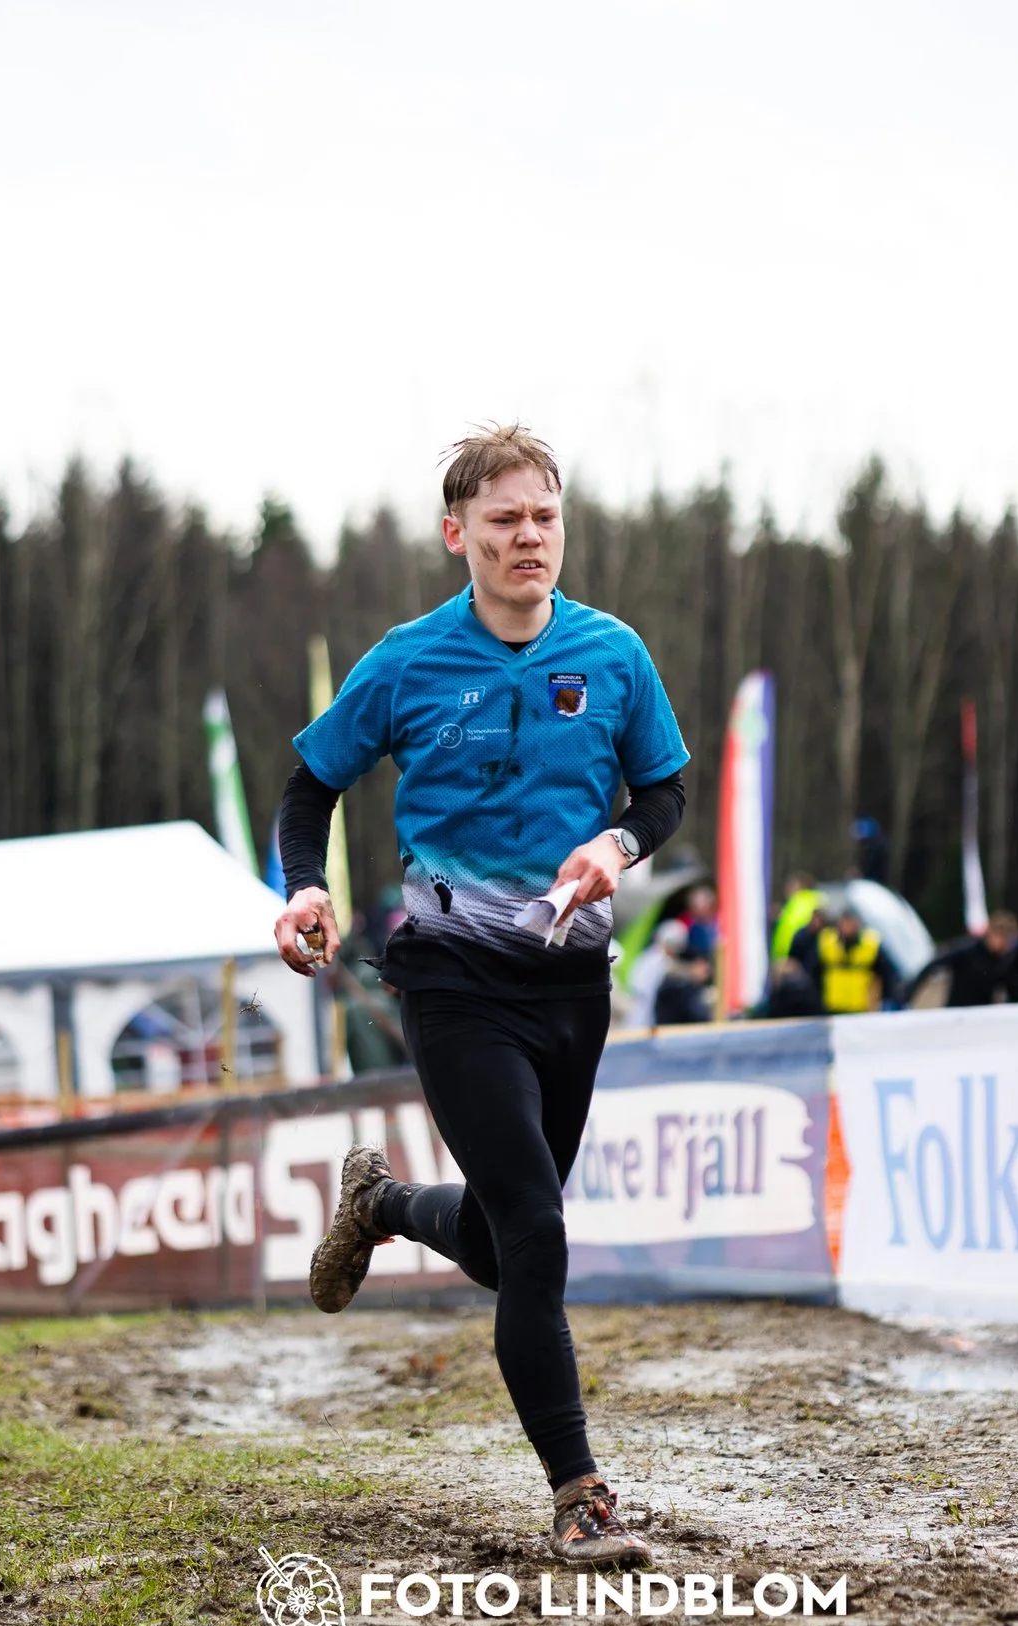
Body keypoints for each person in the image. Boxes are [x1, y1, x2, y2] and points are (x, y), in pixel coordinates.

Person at [271, 425, 686, 1567]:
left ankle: (383, 1204)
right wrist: (305, 886)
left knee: (512, 1249)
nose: (527, 537)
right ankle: (580, 1494)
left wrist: (616, 843)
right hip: (451, 978)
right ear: (458, 535)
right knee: (538, 1229)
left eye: (543, 517)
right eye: (503, 520)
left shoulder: (613, 653)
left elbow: (664, 790)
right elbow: (309, 785)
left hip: (571, 983)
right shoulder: (406, 661)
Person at [913, 911, 1018, 1007]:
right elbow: (933, 964)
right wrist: (909, 992)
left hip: (982, 1014)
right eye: (1001, 937)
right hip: (957, 1011)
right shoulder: (967, 949)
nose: (1003, 944)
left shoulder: (1004, 959)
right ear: (991, 933)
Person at [809, 905, 900, 1014]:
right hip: (831, 1009)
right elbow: (813, 972)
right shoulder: (826, 942)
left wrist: (888, 999)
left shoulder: (870, 944)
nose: (847, 926)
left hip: (861, 1010)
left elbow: (888, 974)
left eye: (851, 922)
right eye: (845, 922)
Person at [771, 872, 825, 963]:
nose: (787, 889)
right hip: (788, 956)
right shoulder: (794, 903)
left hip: (797, 956)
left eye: (791, 885)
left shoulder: (803, 902)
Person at [676, 882, 720, 960]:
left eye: (702, 904)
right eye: (695, 906)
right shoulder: (690, 926)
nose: (698, 909)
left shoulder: (721, 918)